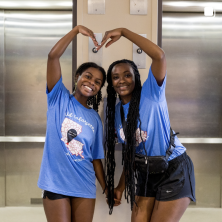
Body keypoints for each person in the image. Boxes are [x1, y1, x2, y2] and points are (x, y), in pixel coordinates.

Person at [100, 28, 196, 222]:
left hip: (173, 169)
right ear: (111, 84)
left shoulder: (152, 94)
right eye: (115, 77)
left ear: (135, 76)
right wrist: (120, 188)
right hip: (146, 172)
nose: (121, 81)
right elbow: (130, 154)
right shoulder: (116, 112)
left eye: (127, 75)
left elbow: (159, 56)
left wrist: (124, 32)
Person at [37, 25, 107, 222]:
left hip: (84, 184)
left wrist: (106, 188)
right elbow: (53, 56)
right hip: (55, 183)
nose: (91, 82)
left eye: (98, 82)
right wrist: (76, 31)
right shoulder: (58, 98)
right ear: (77, 77)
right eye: (88, 76)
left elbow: (95, 158)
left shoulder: (94, 118)